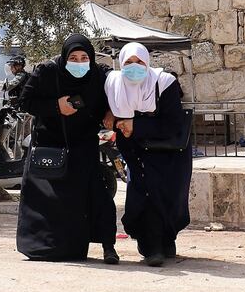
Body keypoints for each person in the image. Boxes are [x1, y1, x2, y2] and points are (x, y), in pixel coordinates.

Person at [16, 34, 119, 264]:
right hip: (50, 144)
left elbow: (114, 97)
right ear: (64, 57)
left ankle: (108, 246)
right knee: (49, 201)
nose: (79, 62)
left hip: (84, 145)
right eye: (73, 57)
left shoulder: (98, 76)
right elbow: (25, 101)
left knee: (96, 196)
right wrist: (56, 106)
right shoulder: (47, 72)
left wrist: (111, 112)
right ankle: (45, 248)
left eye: (84, 57)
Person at [105, 42, 192, 267]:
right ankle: (151, 245)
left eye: (140, 62)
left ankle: (163, 242)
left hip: (168, 154)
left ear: (148, 62)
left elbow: (173, 123)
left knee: (167, 197)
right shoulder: (114, 83)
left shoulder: (164, 83)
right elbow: (109, 112)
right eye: (129, 63)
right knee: (142, 199)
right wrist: (111, 118)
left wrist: (136, 126)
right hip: (136, 155)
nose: (134, 67)